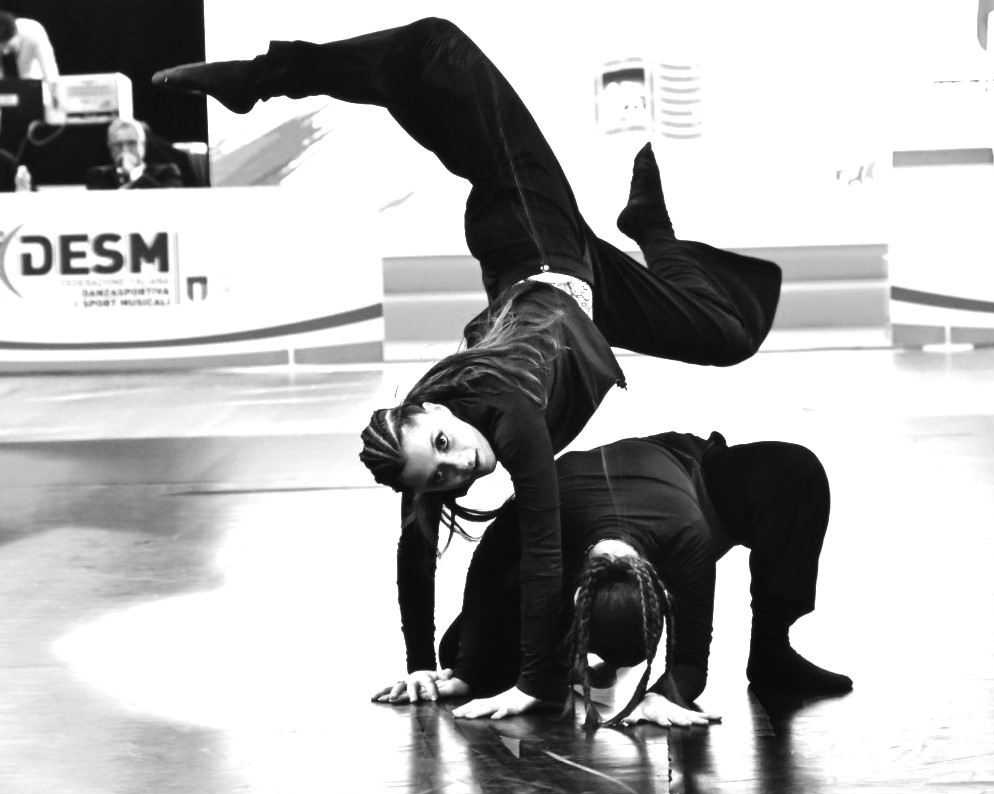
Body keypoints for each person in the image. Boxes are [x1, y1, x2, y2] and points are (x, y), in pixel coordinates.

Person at [152, 18, 782, 718]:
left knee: (437, 47)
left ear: (434, 414)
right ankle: (650, 230)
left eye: (445, 448)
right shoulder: (421, 448)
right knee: (727, 334)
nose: (460, 467)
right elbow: (415, 549)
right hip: (587, 292)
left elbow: (544, 548)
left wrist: (534, 684)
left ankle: (264, 76)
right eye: (443, 476)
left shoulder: (509, 415)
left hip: (531, 235)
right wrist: (422, 667)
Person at [374, 431, 853, 726]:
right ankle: (545, 657)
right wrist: (466, 672)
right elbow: (485, 572)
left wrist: (665, 695)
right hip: (584, 526)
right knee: (463, 653)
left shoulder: (690, 538)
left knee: (795, 471)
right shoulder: (541, 524)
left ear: (661, 588)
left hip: (694, 482)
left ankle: (772, 652)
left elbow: (690, 662)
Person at [84, 118, 183, 190]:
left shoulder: (167, 173)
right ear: (110, 148)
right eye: (118, 144)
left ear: (143, 145)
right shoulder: (98, 175)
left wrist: (133, 174)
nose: (125, 149)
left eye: (131, 143)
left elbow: (166, 201)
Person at [0, 11, 58, 95]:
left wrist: (55, 95)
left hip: (33, 84)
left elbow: (49, 68)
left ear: (16, 34)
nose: (4, 51)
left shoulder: (33, 31)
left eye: (6, 45)